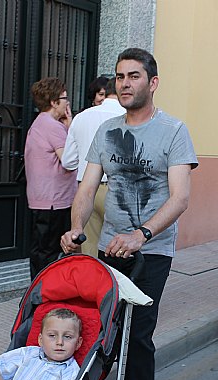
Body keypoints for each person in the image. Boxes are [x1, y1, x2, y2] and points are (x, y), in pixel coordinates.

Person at [60, 48, 197, 380]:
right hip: (110, 248)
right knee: (104, 330)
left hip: (151, 250)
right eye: (120, 77)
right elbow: (87, 189)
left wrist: (143, 233)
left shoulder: (173, 131)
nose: (125, 83)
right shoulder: (107, 131)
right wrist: (75, 228)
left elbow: (180, 197)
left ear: (152, 83)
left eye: (134, 76)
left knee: (137, 336)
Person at [61, 78, 126, 257]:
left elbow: (68, 162)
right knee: (119, 250)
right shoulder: (128, 116)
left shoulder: (82, 117)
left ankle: (94, 284)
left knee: (89, 251)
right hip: (116, 189)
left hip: (86, 190)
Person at [25, 77, 76, 280]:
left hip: (41, 199)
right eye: (64, 98)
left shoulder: (40, 123)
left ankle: (37, 297)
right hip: (55, 202)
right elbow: (69, 160)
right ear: (54, 102)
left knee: (40, 252)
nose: (67, 102)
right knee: (50, 254)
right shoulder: (52, 127)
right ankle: (43, 298)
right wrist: (70, 126)